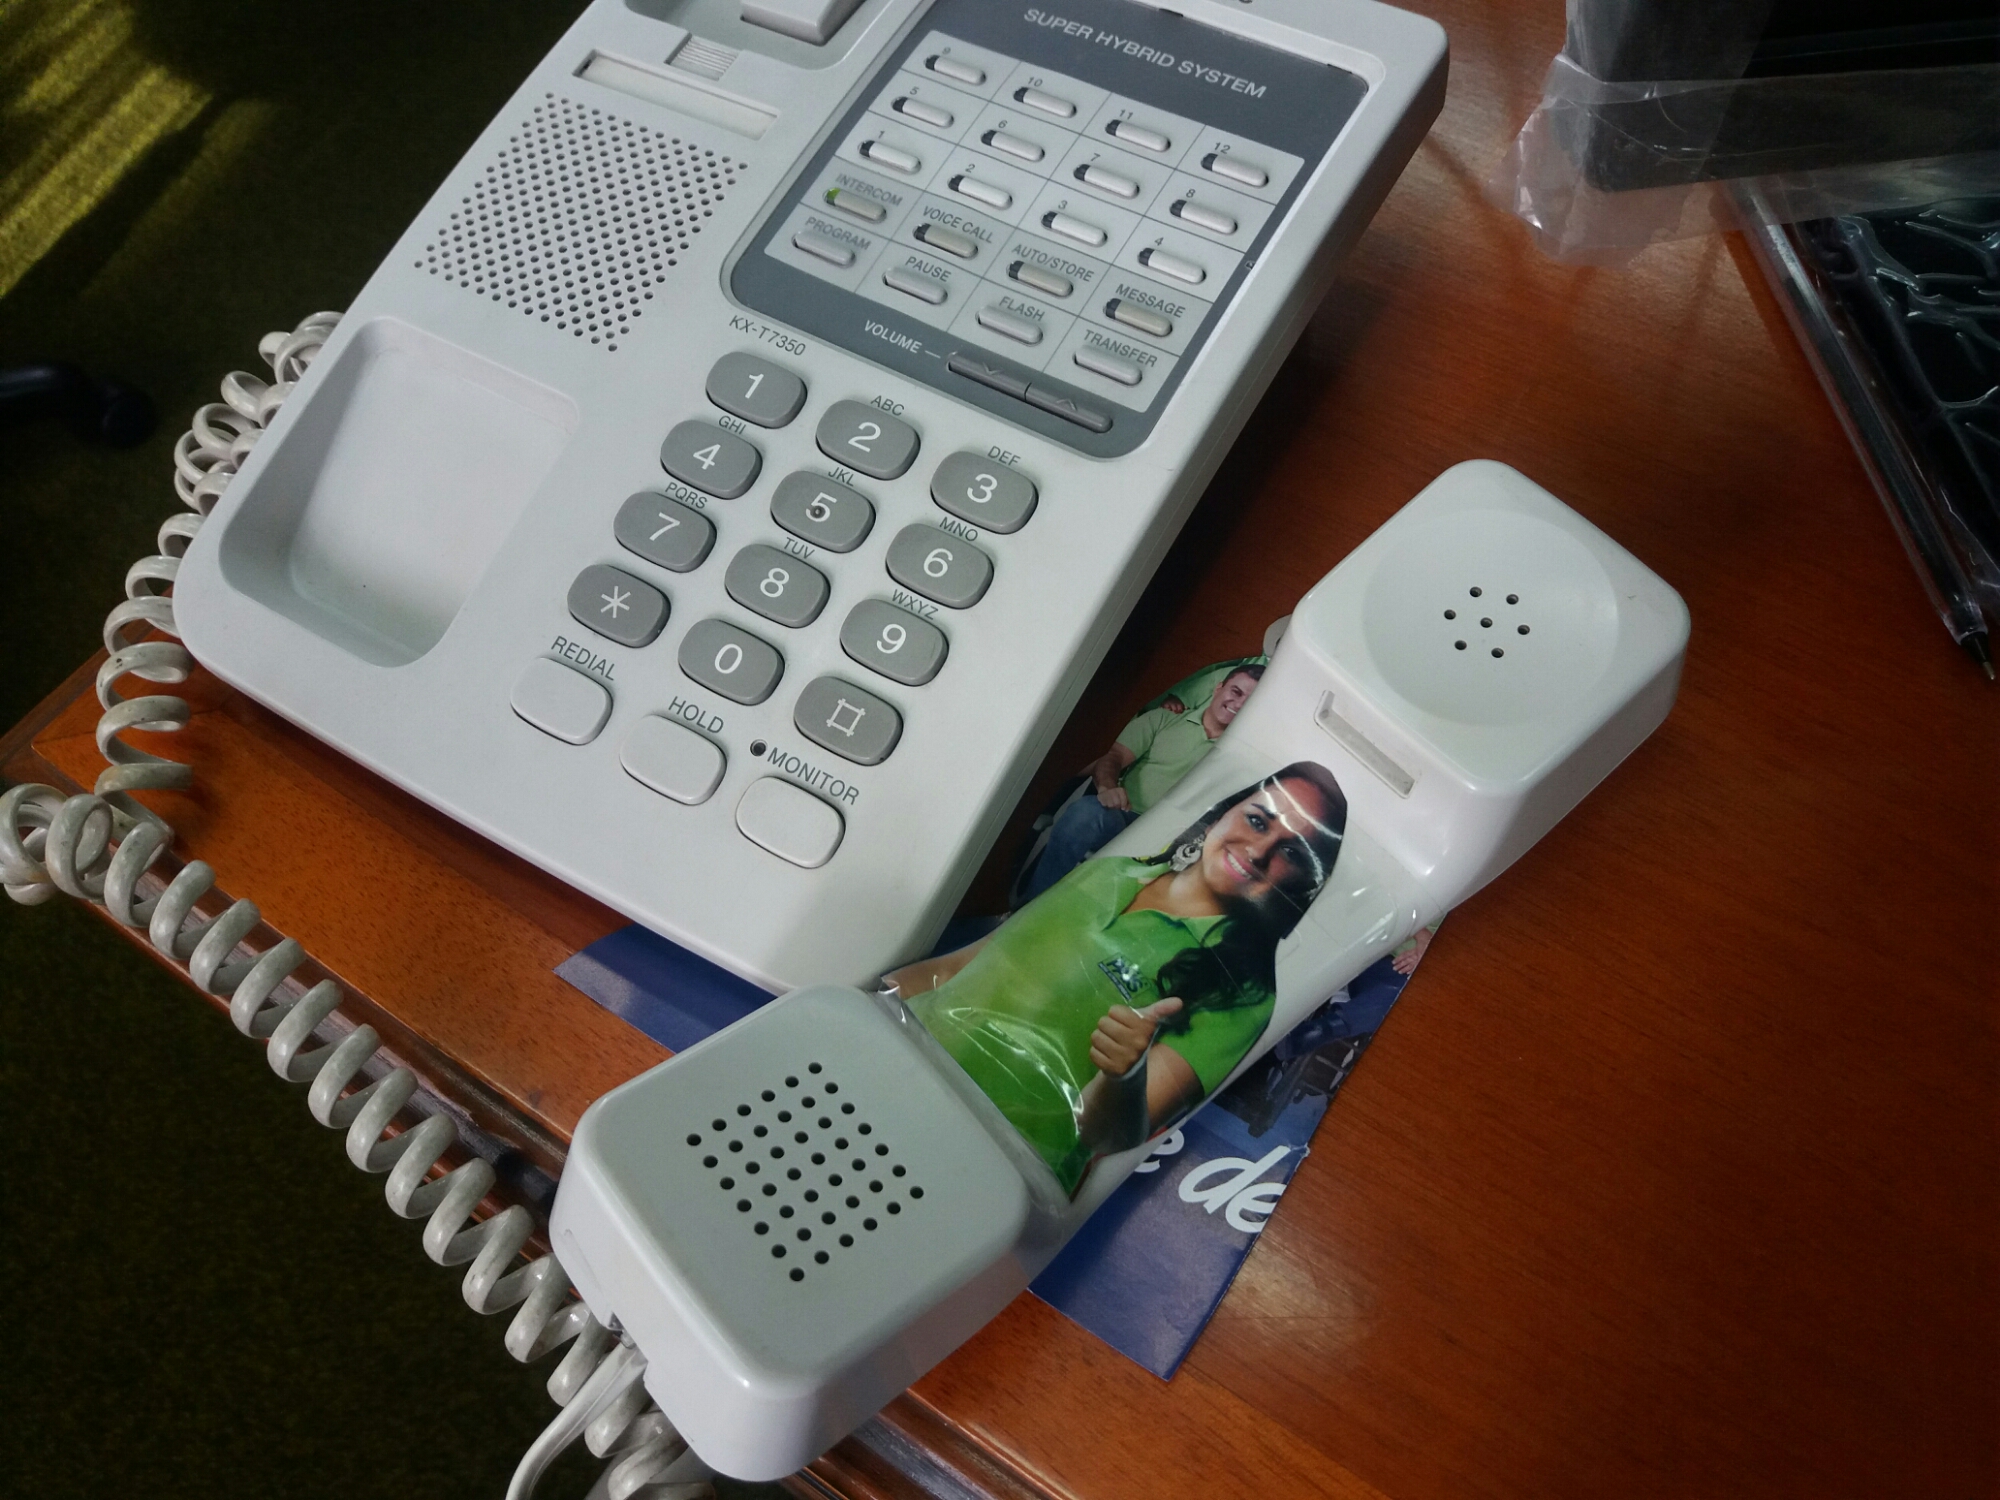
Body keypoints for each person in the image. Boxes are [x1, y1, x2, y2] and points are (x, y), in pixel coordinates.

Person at [887, 762, 1347, 1196]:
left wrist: (1124, 1077)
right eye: (1258, 821)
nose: (1260, 852)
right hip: (897, 1066)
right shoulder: (1110, 871)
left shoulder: (1246, 994)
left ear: (1303, 882)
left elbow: (1106, 1137)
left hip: (990, 1162)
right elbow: (955, 968)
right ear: (1224, 812)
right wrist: (870, 1005)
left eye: (1292, 852)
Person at [1019, 663, 1266, 902]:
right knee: (1086, 812)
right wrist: (1107, 787)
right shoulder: (1164, 719)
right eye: (1236, 692)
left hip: (1171, 842)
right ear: (1218, 688)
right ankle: (1028, 907)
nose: (1239, 704)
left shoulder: (1240, 759)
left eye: (1250, 701)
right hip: (1125, 817)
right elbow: (1114, 756)